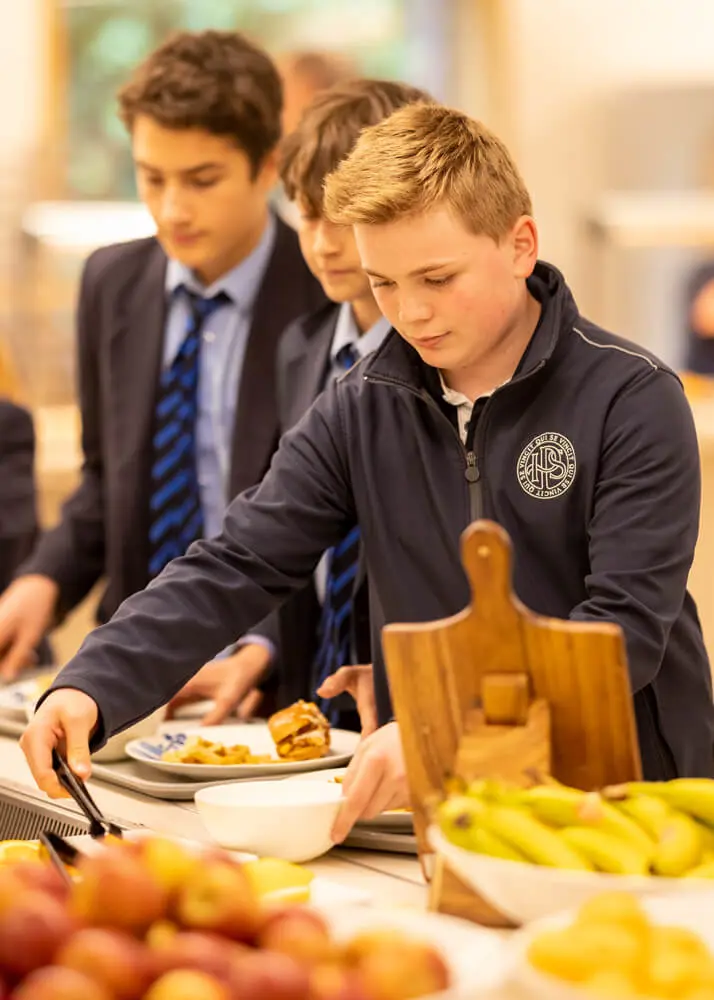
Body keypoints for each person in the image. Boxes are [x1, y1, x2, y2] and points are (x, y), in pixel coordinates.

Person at [22, 103, 714, 843]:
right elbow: (239, 561)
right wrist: (93, 681)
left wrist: (441, 732)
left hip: (628, 805)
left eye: (438, 278)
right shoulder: (361, 404)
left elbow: (620, 636)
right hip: (451, 814)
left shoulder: (631, 397)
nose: (412, 313)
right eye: (384, 284)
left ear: (521, 245)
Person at [0, 31, 325, 697]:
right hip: (133, 670)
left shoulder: (323, 296)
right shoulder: (112, 283)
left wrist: (260, 644)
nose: (173, 208)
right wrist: (43, 581)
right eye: (153, 178)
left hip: (271, 680)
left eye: (202, 180)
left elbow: (332, 522)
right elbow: (103, 484)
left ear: (268, 167)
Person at [168, 79, 432, 729]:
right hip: (313, 694)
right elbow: (285, 531)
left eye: (342, 218)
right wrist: (263, 643)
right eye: (307, 215)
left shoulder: (440, 356)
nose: (323, 243)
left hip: (411, 703)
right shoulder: (302, 346)